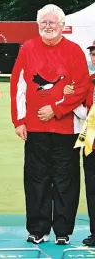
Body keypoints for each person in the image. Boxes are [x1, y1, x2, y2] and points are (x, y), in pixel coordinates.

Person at [10, 4, 89, 245]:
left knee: (66, 180)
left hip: (66, 129)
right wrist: (19, 120)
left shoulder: (74, 51)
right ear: (37, 25)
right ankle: (38, 228)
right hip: (35, 129)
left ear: (62, 26)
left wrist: (55, 109)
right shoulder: (28, 48)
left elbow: (81, 87)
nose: (48, 26)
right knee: (36, 179)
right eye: (43, 22)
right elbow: (18, 85)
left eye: (52, 23)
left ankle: (63, 231)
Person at [64, 41, 95, 246]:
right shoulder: (88, 81)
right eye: (93, 54)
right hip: (91, 144)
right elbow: (84, 113)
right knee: (92, 189)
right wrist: (71, 97)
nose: (94, 57)